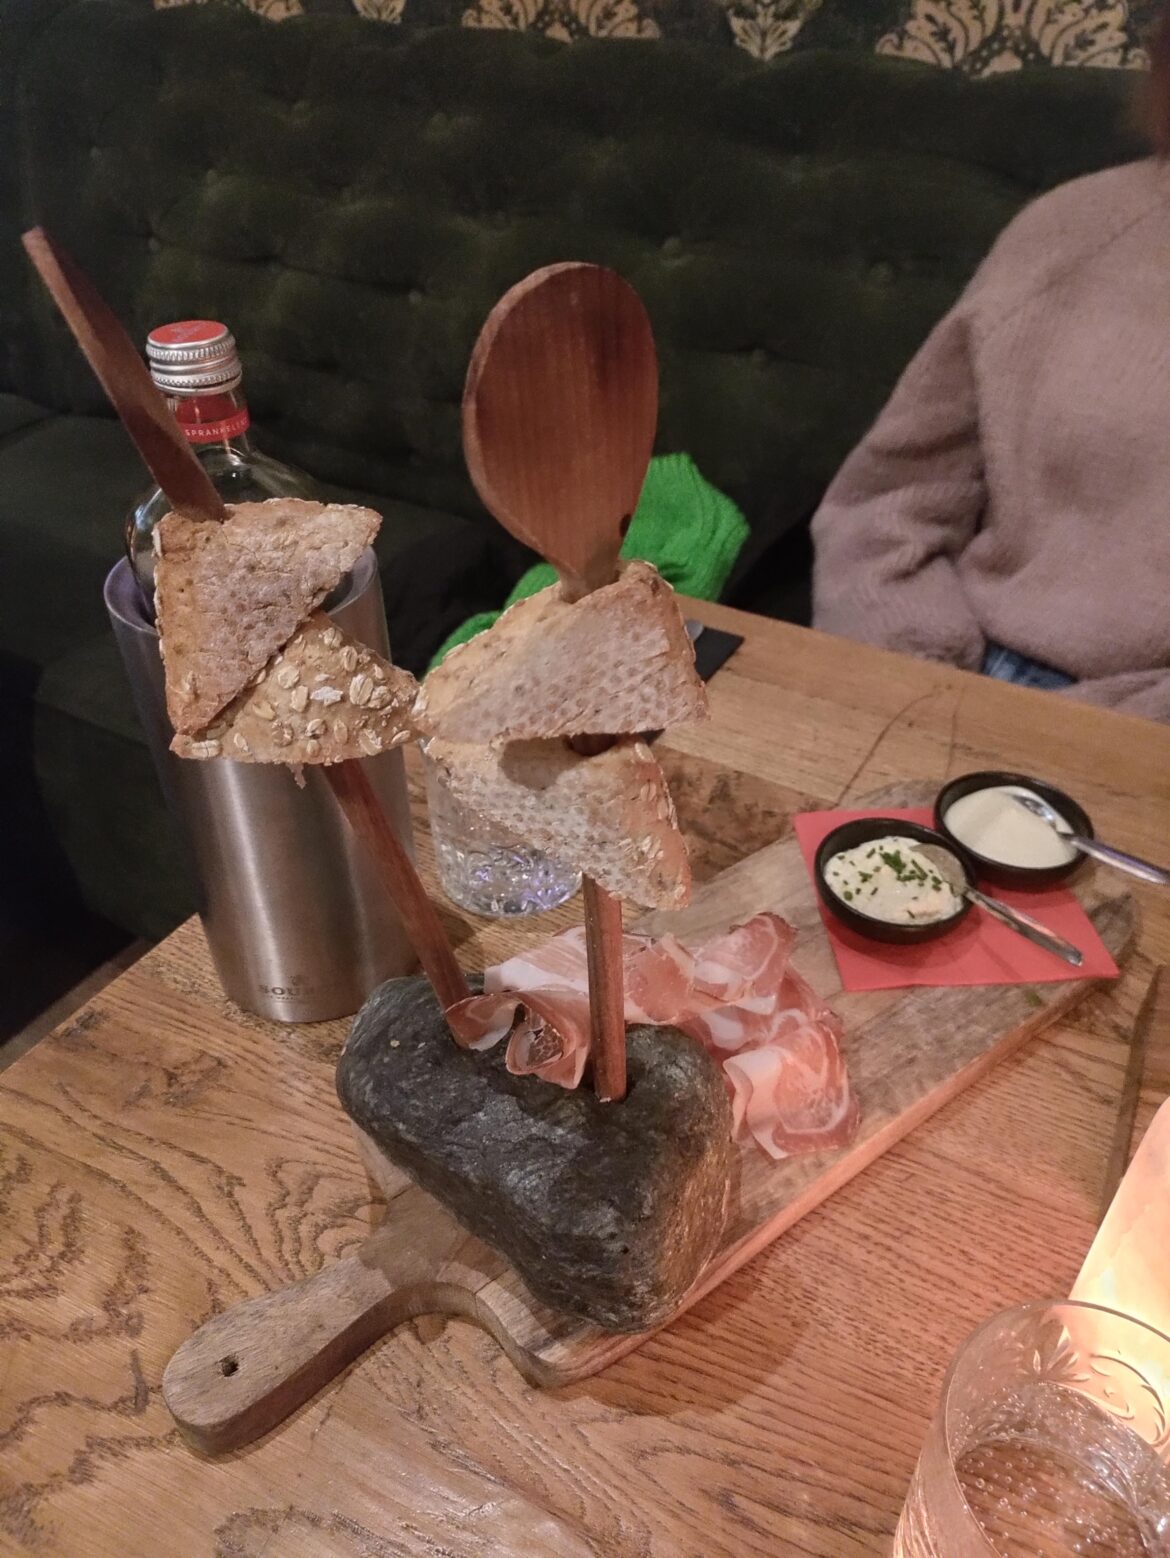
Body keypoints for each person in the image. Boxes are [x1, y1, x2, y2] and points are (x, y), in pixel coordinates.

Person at [810, 10, 1170, 722]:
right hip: (956, 675)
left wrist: (1092, 744)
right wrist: (923, 682)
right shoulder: (1071, 228)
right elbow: (888, 501)